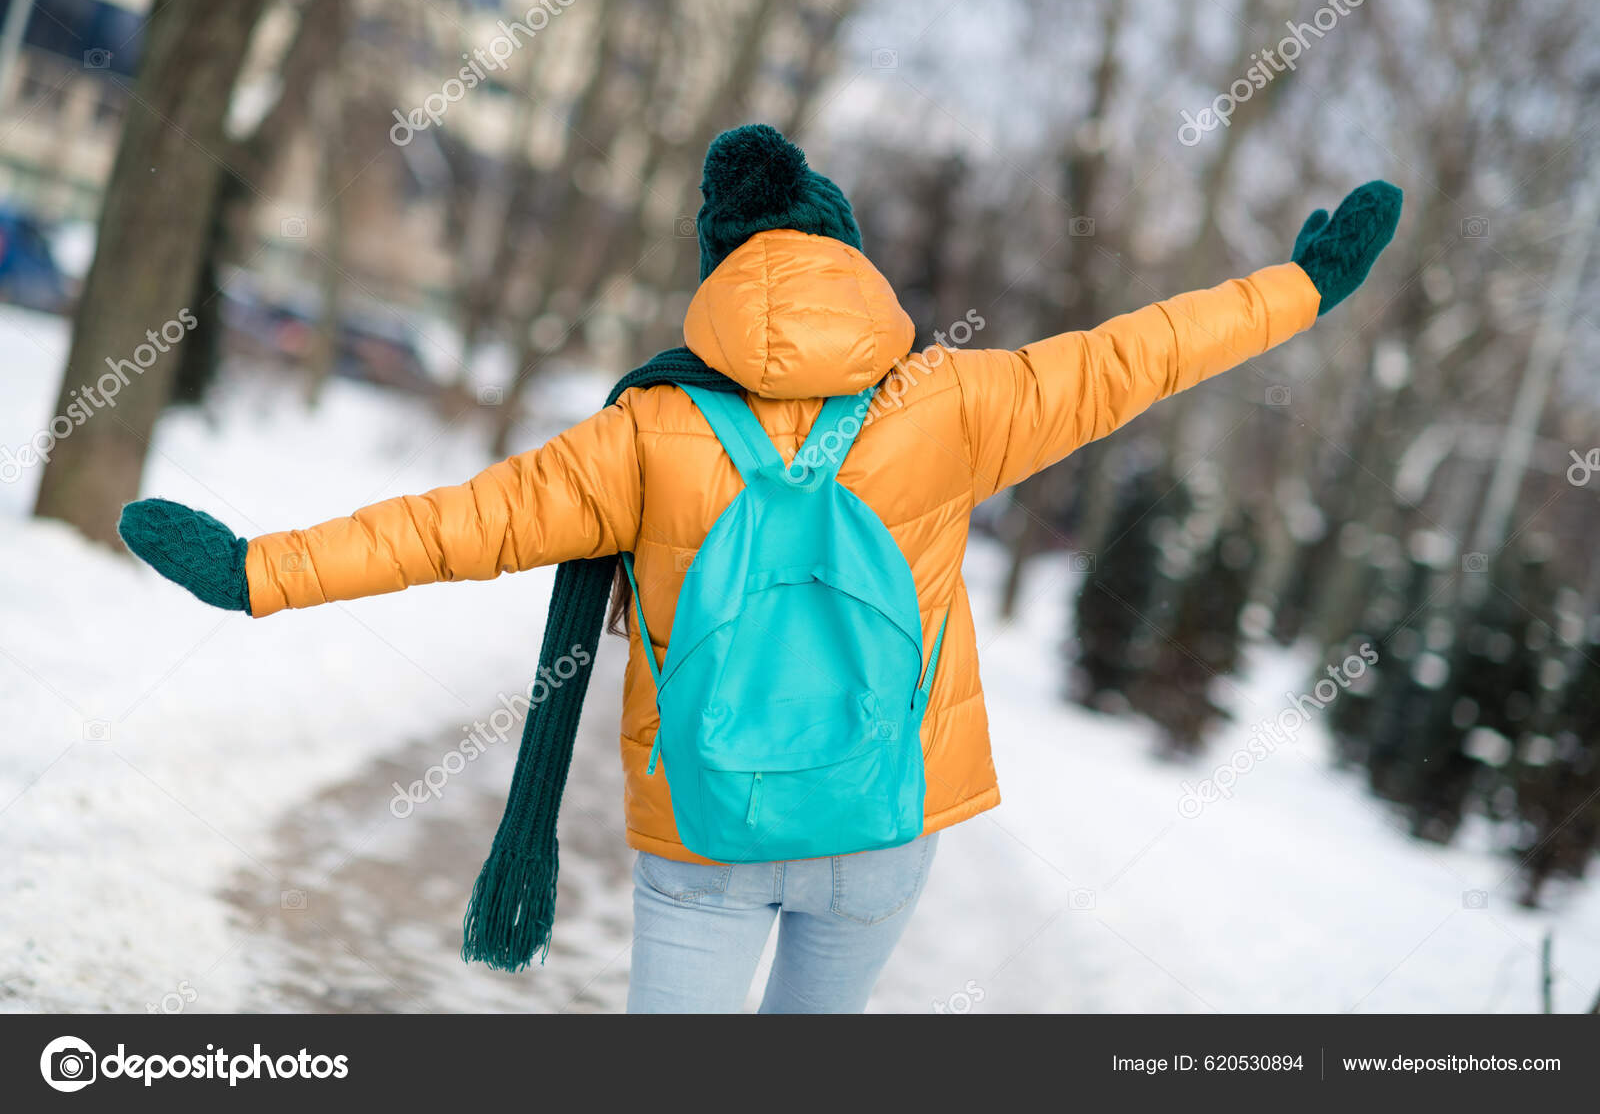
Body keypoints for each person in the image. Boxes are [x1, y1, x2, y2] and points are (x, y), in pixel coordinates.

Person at [118, 124, 1401, 1013]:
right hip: (883, 816)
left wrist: (255, 572)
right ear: (846, 255)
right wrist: (1297, 286)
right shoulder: (955, 401)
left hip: (708, 828)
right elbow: (1138, 355)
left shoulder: (643, 431)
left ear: (719, 275)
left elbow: (450, 524)